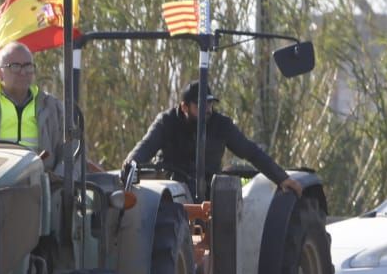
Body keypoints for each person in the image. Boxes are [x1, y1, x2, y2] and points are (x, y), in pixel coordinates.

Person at [124, 80, 304, 197]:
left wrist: (281, 178)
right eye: (200, 105)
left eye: (209, 103)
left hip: (208, 192)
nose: (207, 109)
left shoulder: (221, 125)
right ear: (184, 107)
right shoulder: (166, 122)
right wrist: (129, 165)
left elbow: (251, 152)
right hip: (172, 190)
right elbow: (145, 147)